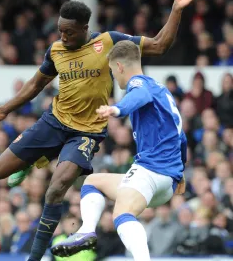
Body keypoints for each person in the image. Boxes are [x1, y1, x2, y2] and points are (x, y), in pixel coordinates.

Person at [0, 0, 195, 261]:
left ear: (85, 28)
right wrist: (5, 109)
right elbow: (35, 84)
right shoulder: (56, 50)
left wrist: (176, 10)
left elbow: (159, 45)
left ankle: (34, 257)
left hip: (87, 132)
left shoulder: (109, 42)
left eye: (69, 32)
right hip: (54, 121)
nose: (63, 36)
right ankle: (40, 157)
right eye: (60, 31)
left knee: (57, 187)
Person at [51, 40, 187, 261]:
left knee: (122, 213)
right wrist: (181, 171)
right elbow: (182, 136)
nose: (114, 76)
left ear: (120, 66)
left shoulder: (139, 84)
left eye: (112, 70)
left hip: (152, 171)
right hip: (167, 181)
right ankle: (86, 232)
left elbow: (138, 96)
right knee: (92, 182)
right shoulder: (161, 91)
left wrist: (117, 108)